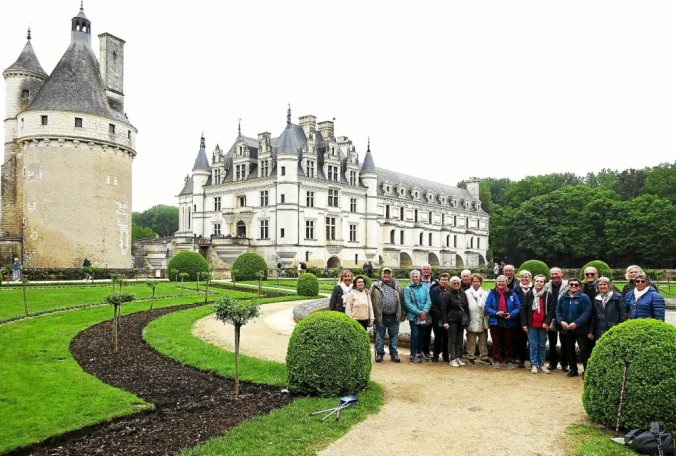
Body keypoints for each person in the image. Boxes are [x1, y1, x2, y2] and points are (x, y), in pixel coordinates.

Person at [556, 278, 593, 378]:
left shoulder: (584, 297)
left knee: (584, 351)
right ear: (568, 285)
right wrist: (561, 321)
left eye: (576, 285)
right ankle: (573, 369)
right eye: (571, 284)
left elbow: (587, 313)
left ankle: (587, 371)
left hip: (580, 330)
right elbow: (558, 311)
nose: (573, 286)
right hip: (566, 329)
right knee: (569, 350)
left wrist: (576, 323)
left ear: (580, 286)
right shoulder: (563, 297)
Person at [521, 275, 556, 374]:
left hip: (543, 325)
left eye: (541, 281)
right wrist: (524, 324)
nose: (539, 283)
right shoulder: (529, 295)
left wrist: (547, 322)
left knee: (542, 345)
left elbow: (551, 311)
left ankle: (541, 364)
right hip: (531, 324)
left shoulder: (548, 295)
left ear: (544, 284)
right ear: (534, 282)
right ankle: (534, 364)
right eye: (537, 281)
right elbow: (523, 310)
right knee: (533, 345)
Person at [484, 275, 521, 369]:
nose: (501, 283)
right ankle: (496, 360)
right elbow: (487, 307)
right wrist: (496, 312)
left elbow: (518, 307)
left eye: (503, 281)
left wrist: (511, 314)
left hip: (509, 321)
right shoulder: (492, 293)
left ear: (506, 282)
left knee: (509, 342)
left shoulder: (512, 293)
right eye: (499, 281)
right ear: (496, 282)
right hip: (495, 321)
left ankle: (509, 360)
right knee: (496, 342)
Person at [370, 266, 405, 363]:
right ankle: (380, 354)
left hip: (394, 316)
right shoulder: (375, 286)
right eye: (384, 273)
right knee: (379, 337)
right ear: (381, 275)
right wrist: (371, 316)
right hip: (381, 316)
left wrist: (403, 313)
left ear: (391, 275)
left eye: (388, 273)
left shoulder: (397, 286)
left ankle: (394, 354)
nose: (386, 275)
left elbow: (402, 300)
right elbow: (369, 300)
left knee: (394, 337)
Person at [403, 269, 432, 363]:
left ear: (420, 277)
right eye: (413, 276)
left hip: (423, 316)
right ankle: (413, 354)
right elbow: (407, 303)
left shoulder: (424, 288)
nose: (415, 278)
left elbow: (428, 301)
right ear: (410, 277)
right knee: (415, 335)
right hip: (414, 316)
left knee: (422, 335)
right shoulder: (407, 289)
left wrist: (424, 311)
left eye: (417, 276)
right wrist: (419, 313)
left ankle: (419, 353)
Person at [544, 267, 569, 372]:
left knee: (564, 342)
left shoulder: (568, 285)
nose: (554, 276)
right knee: (552, 342)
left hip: (563, 317)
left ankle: (564, 364)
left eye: (556, 274)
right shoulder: (546, 285)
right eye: (552, 274)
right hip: (551, 317)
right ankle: (552, 363)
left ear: (561, 274)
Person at [441, 276, 469, 367]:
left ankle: (457, 357)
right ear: (450, 284)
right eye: (454, 283)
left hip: (461, 320)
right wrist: (445, 322)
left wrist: (467, 318)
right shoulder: (447, 294)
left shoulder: (463, 293)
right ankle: (452, 358)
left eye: (458, 283)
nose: (456, 284)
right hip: (451, 320)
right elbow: (443, 310)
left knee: (459, 340)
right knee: (452, 340)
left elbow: (466, 308)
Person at [465, 273, 491, 365]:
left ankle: (484, 356)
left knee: (483, 340)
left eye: (478, 281)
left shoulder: (485, 293)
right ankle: (470, 357)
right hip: (471, 318)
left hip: (482, 318)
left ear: (481, 282)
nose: (476, 283)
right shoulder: (467, 293)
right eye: (474, 281)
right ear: (471, 282)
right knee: (470, 340)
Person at [512, 270, 532, 368]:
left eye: (526, 277)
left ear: (530, 278)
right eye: (522, 277)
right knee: (521, 341)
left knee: (532, 341)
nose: (524, 279)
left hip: (532, 319)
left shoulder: (534, 288)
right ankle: (521, 360)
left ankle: (533, 360)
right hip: (519, 319)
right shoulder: (516, 290)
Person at [429, 272, 451, 362]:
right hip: (437, 318)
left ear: (448, 281)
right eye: (442, 279)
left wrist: (447, 315)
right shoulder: (434, 290)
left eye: (446, 280)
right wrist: (441, 314)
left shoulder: (450, 291)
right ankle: (435, 355)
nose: (444, 281)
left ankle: (446, 355)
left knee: (446, 337)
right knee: (437, 337)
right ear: (439, 280)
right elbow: (432, 304)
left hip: (448, 318)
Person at [418, 263, 439, 359]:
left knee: (430, 332)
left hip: (432, 311)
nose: (426, 271)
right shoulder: (417, 281)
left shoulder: (435, 282)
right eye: (424, 269)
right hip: (421, 311)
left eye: (428, 269)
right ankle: (421, 351)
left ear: (431, 270)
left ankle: (426, 351)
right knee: (422, 332)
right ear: (421, 270)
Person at [582, 266, 599, 352]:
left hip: (598, 319)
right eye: (587, 274)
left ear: (597, 274)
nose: (589, 275)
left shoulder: (603, 285)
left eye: (592, 274)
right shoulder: (581, 286)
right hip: (586, 319)